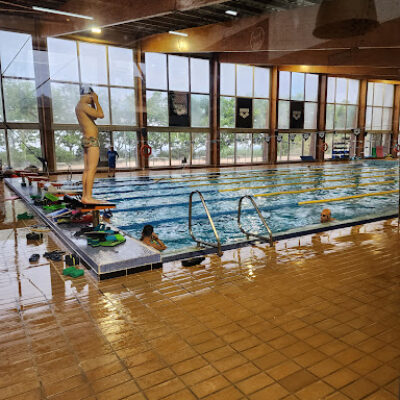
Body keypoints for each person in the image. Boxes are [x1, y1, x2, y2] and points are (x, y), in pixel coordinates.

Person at [75, 86, 106, 204]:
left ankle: (85, 196)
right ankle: (88, 197)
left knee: (87, 169)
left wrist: (93, 103)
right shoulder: (83, 105)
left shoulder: (79, 106)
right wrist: (97, 101)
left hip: (86, 140)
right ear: (88, 95)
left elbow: (94, 117)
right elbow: (101, 114)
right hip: (92, 140)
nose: (92, 100)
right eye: (91, 98)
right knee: (92, 169)